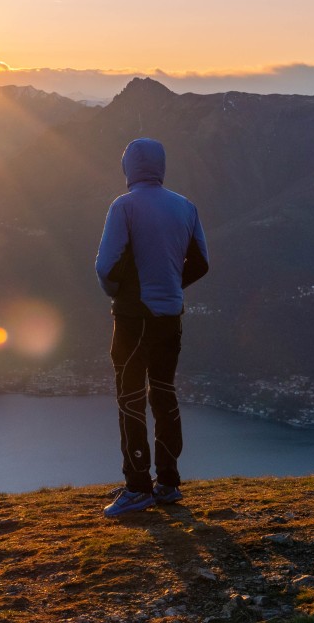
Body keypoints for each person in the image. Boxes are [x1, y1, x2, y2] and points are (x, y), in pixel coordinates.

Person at [94, 137, 209, 517]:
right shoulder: (186, 206)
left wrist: (122, 294)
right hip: (170, 317)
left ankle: (137, 486)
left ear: (128, 166)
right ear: (161, 165)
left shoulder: (124, 206)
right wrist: (172, 285)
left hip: (132, 318)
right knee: (164, 393)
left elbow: (106, 267)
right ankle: (168, 483)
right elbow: (201, 262)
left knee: (130, 398)